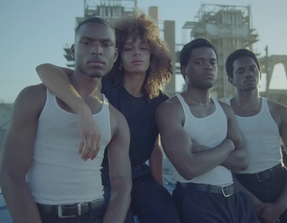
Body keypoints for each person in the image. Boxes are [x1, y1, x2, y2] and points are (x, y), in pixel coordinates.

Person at [35, 12, 180, 223]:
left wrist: (157, 185)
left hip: (140, 175)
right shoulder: (102, 87)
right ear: (118, 54)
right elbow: (45, 70)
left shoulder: (160, 101)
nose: (136, 54)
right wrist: (81, 109)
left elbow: (155, 147)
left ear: (154, 56)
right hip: (101, 175)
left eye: (143, 49)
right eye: (129, 49)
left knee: (167, 215)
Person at [0, 17, 132, 223]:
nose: (97, 50)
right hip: (40, 214)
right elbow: (11, 174)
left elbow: (122, 185)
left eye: (106, 44)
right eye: (87, 42)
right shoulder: (35, 97)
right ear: (73, 51)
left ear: (114, 55)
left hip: (93, 215)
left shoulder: (116, 119)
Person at [156, 38, 259, 223]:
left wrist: (201, 150)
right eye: (199, 62)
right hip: (197, 201)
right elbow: (189, 168)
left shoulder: (225, 110)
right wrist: (228, 145)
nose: (208, 67)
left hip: (235, 200)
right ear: (184, 70)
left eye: (212, 62)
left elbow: (243, 160)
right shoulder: (171, 109)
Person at [225, 48, 287, 223]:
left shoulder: (280, 112)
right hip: (242, 187)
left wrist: (280, 206)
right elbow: (219, 164)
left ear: (260, 74)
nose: (248, 73)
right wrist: (254, 203)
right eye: (241, 71)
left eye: (252, 69)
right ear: (231, 79)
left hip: (280, 185)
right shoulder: (222, 113)